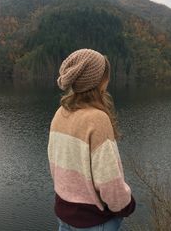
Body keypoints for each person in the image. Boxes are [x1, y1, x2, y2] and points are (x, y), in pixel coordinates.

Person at [48, 48, 136, 231]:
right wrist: (127, 205)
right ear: (98, 81)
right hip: (94, 221)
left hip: (64, 215)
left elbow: (54, 165)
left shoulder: (60, 113)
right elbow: (109, 180)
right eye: (106, 75)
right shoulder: (97, 119)